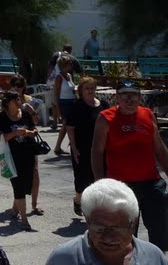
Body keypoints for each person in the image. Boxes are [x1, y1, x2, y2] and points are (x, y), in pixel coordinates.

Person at [91, 80, 168, 250]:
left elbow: (160, 149)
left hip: (151, 182)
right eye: (125, 95)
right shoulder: (105, 118)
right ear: (117, 97)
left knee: (160, 229)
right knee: (126, 232)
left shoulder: (147, 114)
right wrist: (100, 183)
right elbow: (97, 152)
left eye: (134, 95)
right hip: (121, 186)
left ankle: (158, 259)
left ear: (139, 98)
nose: (129, 99)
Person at [46, 179, 168, 265]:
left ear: (133, 224)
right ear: (87, 221)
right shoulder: (64, 258)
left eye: (118, 229)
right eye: (99, 228)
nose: (109, 238)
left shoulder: (153, 257)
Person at [0, 90, 40, 231]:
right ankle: (24, 220)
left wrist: (30, 133)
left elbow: (35, 129)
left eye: (20, 99)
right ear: (8, 103)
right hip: (11, 156)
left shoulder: (25, 114)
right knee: (18, 185)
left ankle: (15, 210)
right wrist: (15, 133)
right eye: (16, 100)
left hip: (28, 153)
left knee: (26, 184)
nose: (19, 102)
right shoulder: (2, 117)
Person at [64, 76, 106, 215]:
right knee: (82, 179)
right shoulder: (77, 106)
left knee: (98, 177)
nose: (90, 91)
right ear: (81, 90)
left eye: (92, 88)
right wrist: (74, 148)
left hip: (100, 148)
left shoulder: (103, 104)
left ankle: (94, 210)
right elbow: (70, 128)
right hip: (82, 147)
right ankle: (78, 199)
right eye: (87, 88)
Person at [7, 75, 44, 217]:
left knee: (34, 172)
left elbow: (37, 121)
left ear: (23, 87)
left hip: (29, 141)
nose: (17, 88)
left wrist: (31, 110)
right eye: (14, 85)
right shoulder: (8, 100)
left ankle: (34, 205)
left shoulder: (30, 101)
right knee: (19, 175)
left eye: (19, 85)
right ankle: (16, 206)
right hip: (14, 143)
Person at [54, 56, 76, 155]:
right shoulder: (59, 77)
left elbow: (72, 89)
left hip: (72, 102)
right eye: (69, 64)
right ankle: (60, 146)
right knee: (66, 125)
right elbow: (57, 94)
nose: (71, 65)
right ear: (64, 65)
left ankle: (60, 146)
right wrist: (58, 109)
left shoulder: (69, 76)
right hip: (64, 103)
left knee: (68, 125)